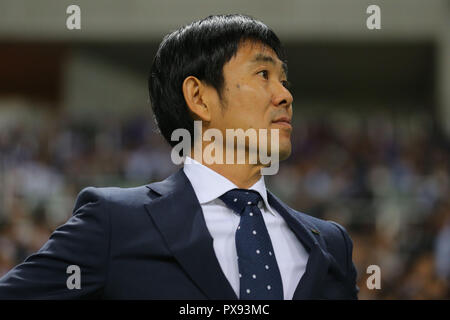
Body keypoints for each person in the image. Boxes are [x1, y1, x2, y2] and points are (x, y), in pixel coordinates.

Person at [0, 14, 358, 299]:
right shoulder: (115, 223)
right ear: (199, 97)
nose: (285, 95)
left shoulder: (330, 243)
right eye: (263, 74)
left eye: (284, 80)